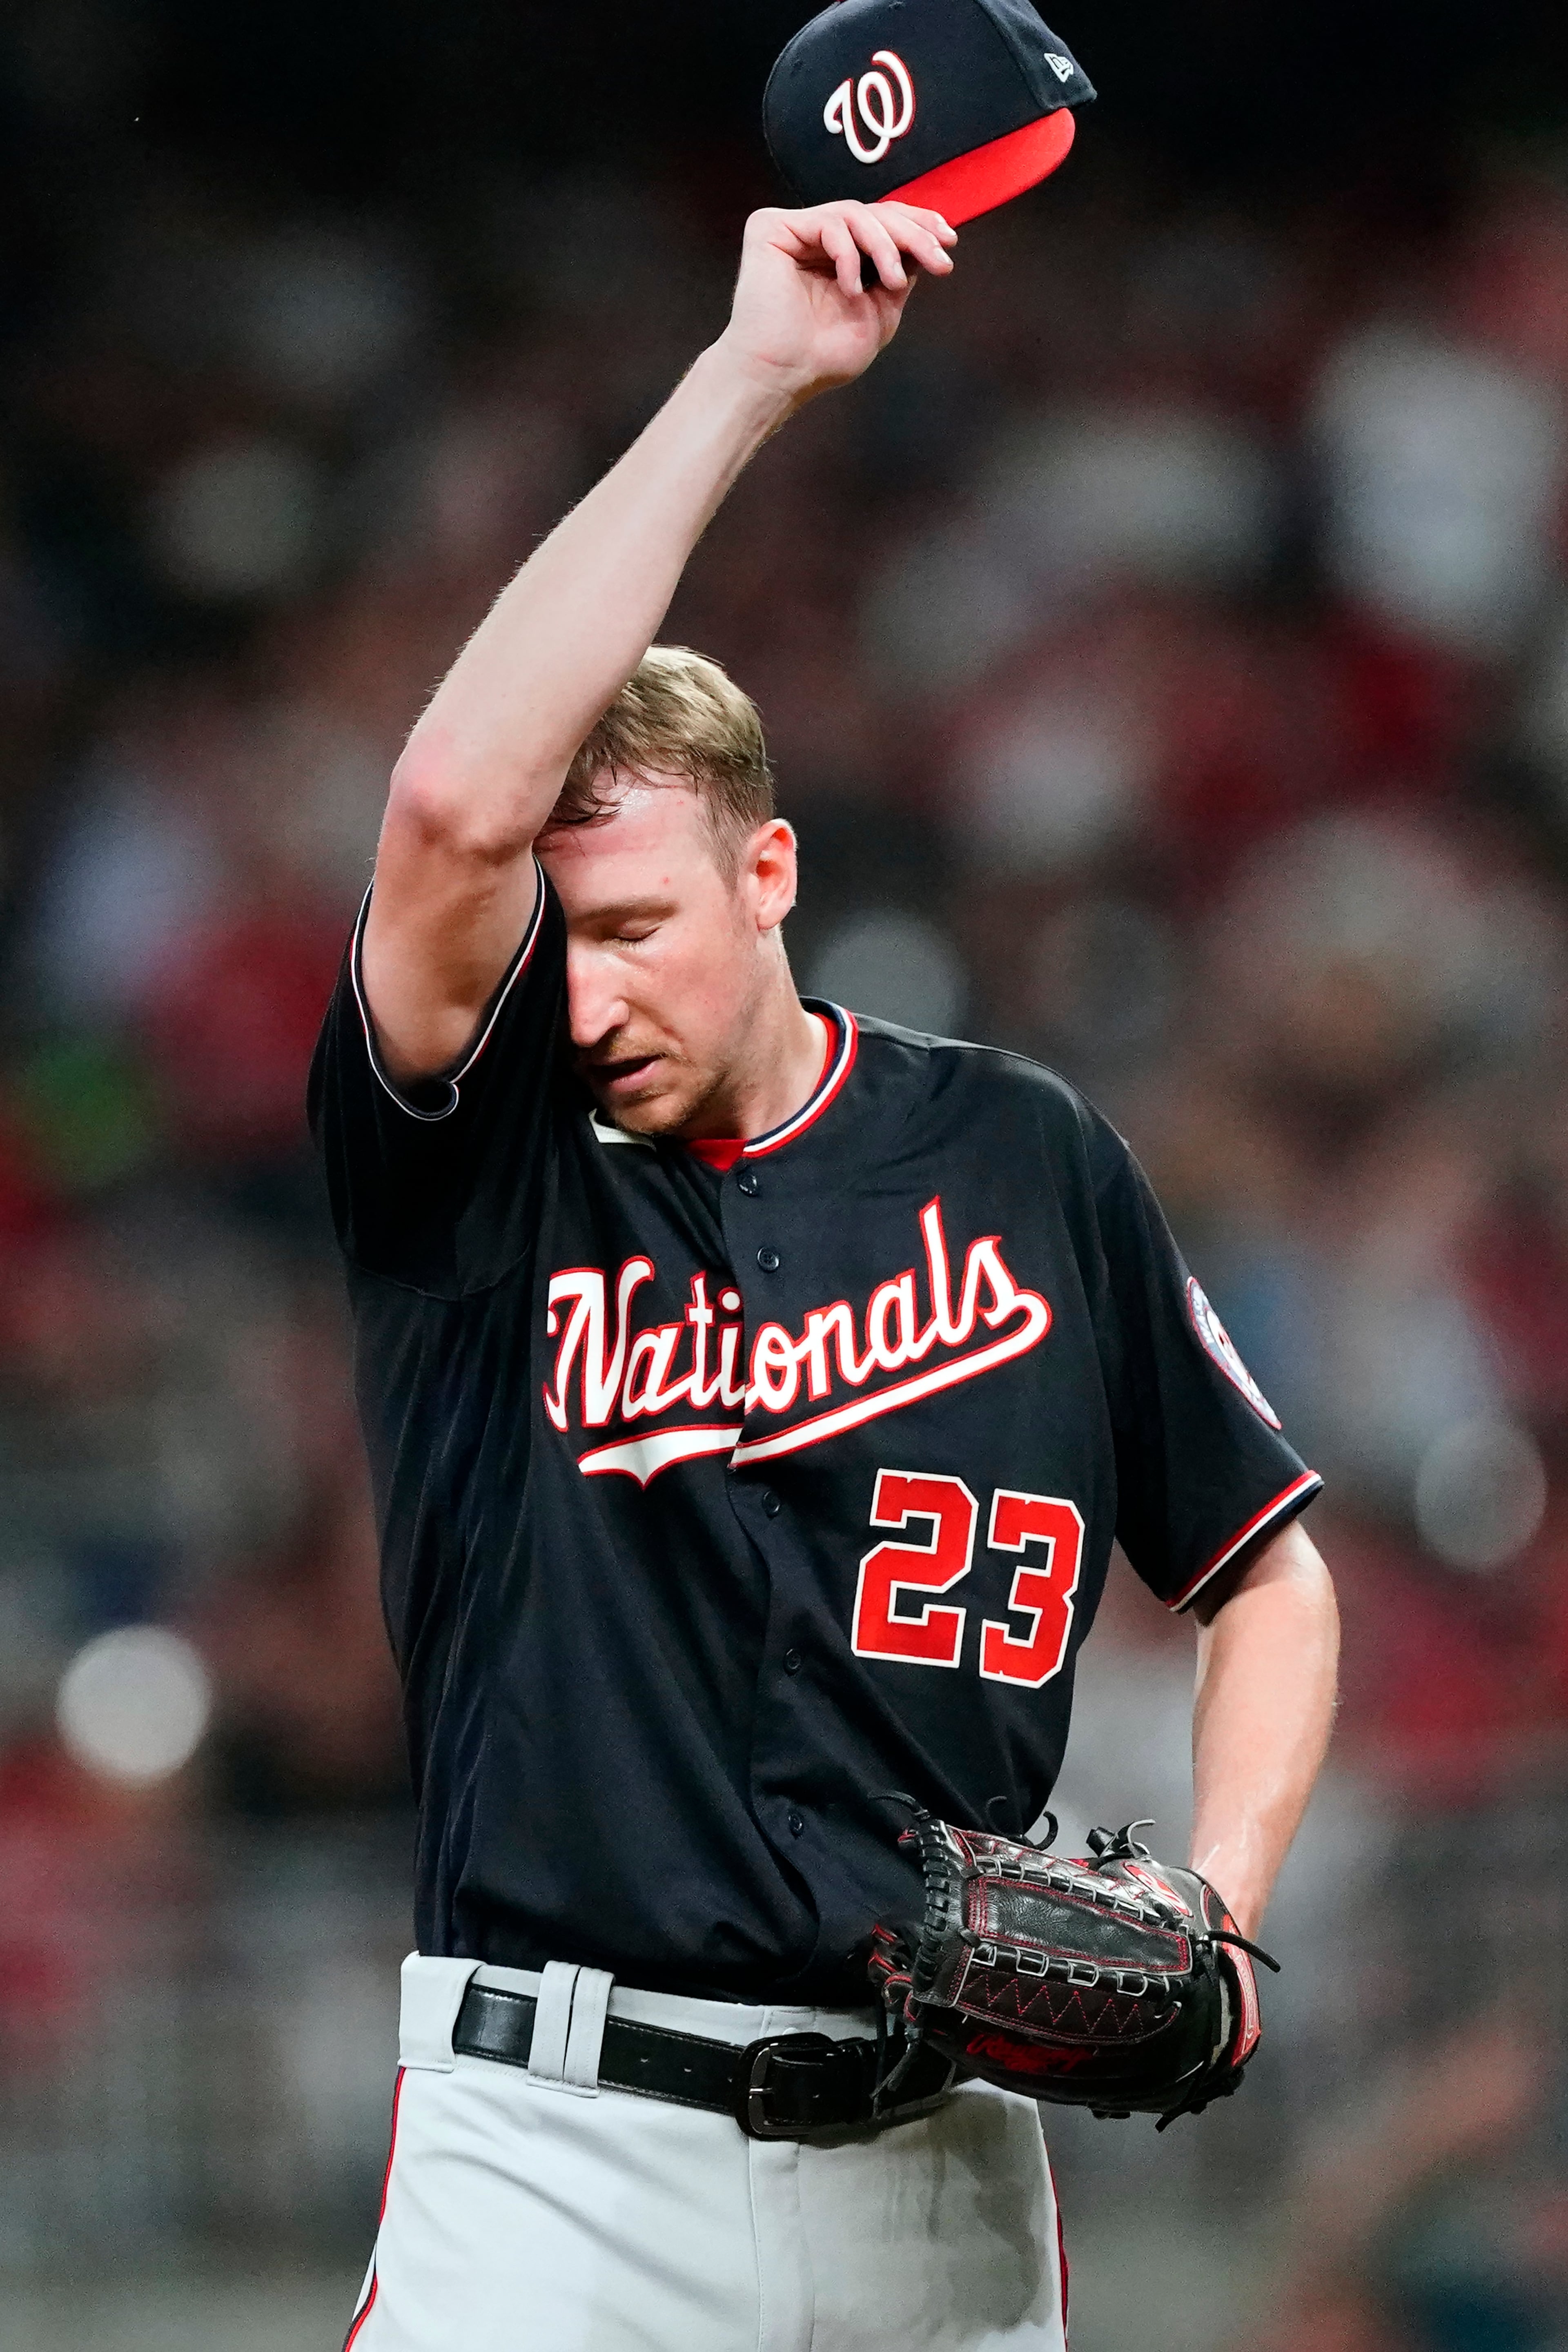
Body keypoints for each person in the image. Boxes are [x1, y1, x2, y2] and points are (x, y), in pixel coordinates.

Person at [310, 196, 1340, 2352]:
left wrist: (1221, 1909)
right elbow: (442, 808)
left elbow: (1266, 1570)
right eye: (551, 939)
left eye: (636, 926)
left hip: (940, 2171)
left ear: (769, 870)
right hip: (555, 2167)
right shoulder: (482, 1180)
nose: (582, 995)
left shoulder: (1023, 1159)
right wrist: (754, 371)